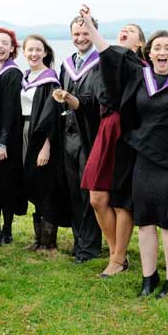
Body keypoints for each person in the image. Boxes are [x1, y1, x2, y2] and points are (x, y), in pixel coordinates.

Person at [79, 5, 168, 297]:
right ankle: (149, 278)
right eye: (157, 47)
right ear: (148, 54)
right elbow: (108, 53)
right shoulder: (138, 76)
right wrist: (89, 25)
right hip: (144, 159)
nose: (162, 52)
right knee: (145, 221)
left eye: (167, 48)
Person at [79, 23, 144, 278]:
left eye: (131, 29)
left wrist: (90, 26)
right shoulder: (104, 64)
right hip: (106, 130)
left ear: (140, 43)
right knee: (97, 198)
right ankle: (117, 253)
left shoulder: (139, 67)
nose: (124, 30)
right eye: (122, 28)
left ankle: (117, 259)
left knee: (121, 200)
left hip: (126, 132)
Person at [55, 15, 104, 263]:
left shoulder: (102, 63)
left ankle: (90, 246)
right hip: (69, 135)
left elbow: (98, 101)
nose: (81, 38)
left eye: (86, 33)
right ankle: (79, 242)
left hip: (91, 136)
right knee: (73, 189)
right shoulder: (67, 64)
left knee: (88, 194)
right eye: (76, 34)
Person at [19, 34, 70, 251]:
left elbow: (53, 117)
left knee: (46, 186)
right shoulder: (25, 76)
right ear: (24, 52)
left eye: (38, 50)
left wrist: (46, 146)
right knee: (32, 182)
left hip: (41, 137)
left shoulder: (50, 80)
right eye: (30, 49)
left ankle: (48, 242)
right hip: (24, 133)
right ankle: (39, 239)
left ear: (45, 52)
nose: (33, 53)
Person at [0, 27, 26, 245]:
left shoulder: (13, 73)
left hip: (7, 137)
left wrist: (2, 142)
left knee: (6, 185)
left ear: (12, 49)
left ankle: (7, 229)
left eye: (5, 43)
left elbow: (10, 110)